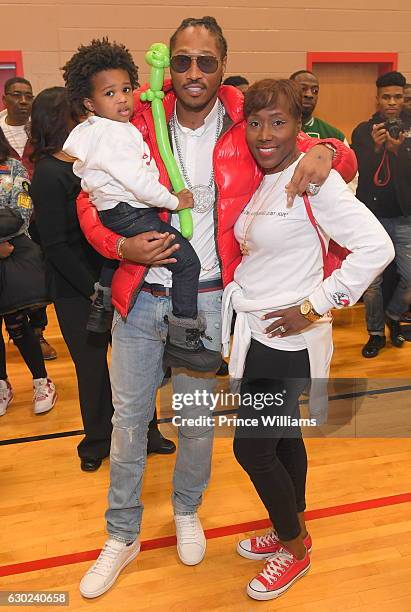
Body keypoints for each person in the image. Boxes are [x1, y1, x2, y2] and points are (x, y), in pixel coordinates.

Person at [75, 17, 357, 599]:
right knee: (127, 426)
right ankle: (121, 533)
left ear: (222, 64)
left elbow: (329, 155)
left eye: (206, 61)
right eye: (183, 61)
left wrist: (328, 150)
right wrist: (118, 245)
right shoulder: (140, 118)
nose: (194, 73)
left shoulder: (245, 120)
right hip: (139, 294)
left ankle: (186, 510)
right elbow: (88, 194)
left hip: (206, 300)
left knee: (198, 426)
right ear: (168, 66)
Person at [220, 78, 393, 601]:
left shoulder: (314, 180)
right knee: (283, 438)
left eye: (278, 122)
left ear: (300, 127)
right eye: (255, 122)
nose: (264, 134)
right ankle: (286, 523)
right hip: (258, 331)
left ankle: (294, 549)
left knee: (253, 450)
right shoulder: (268, 180)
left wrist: (313, 307)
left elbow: (375, 248)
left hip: (286, 337)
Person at [351, 71, 411, 358]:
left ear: (404, 97)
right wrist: (376, 147)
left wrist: (401, 152)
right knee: (372, 283)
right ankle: (375, 333)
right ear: (377, 99)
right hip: (371, 217)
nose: (391, 102)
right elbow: (357, 170)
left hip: (404, 216)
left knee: (409, 275)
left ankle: (394, 316)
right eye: (386, 97)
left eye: (397, 97)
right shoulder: (363, 130)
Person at [0, 127, 57, 416]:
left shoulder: (13, 168)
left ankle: (41, 380)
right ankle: (2, 385)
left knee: (17, 325)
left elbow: (21, 212)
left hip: (13, 253)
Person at [0, 76, 57, 361]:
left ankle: (38, 332)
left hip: (38, 216)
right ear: (5, 99)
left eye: (28, 96)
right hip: (5, 223)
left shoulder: (39, 131)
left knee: (36, 275)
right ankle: (14, 328)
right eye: (17, 95)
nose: (23, 102)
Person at [289, 70, 346, 142]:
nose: (309, 95)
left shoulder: (335, 136)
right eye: (302, 89)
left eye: (315, 91)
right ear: (288, 93)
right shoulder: (274, 131)